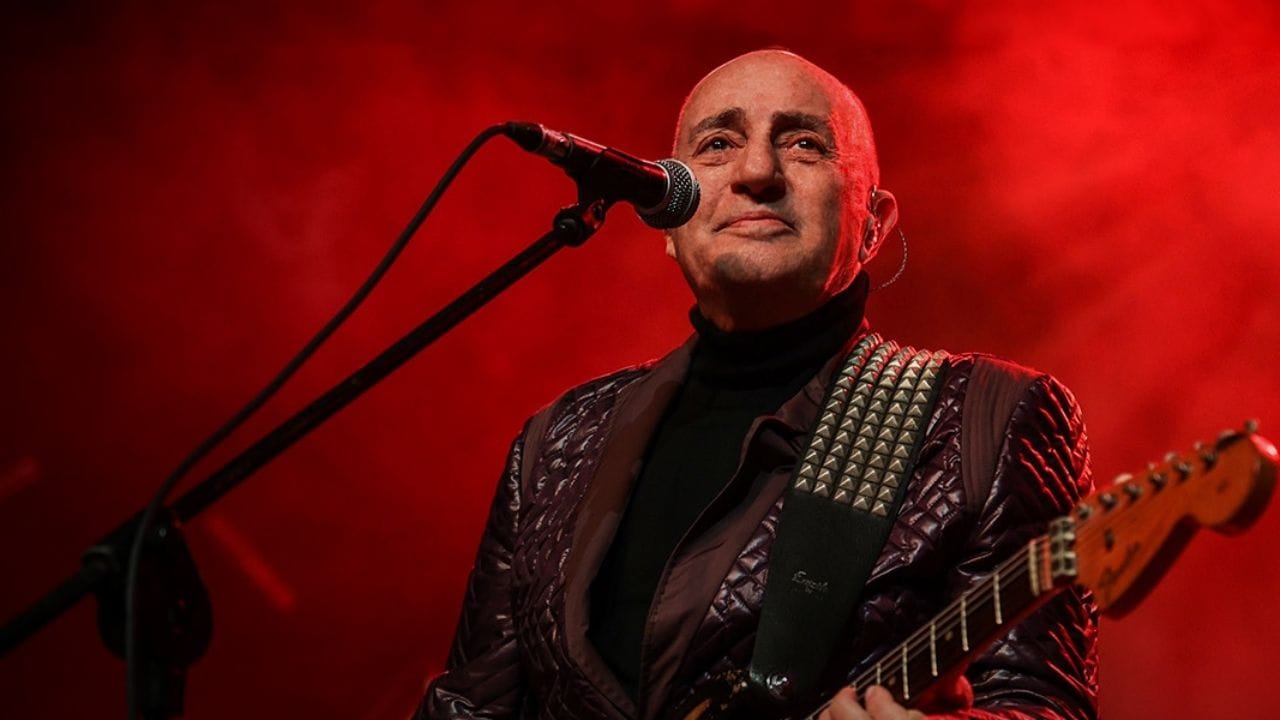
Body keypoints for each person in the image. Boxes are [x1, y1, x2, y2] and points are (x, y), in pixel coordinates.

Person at [416, 50, 1097, 720]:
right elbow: (469, 705)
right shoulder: (558, 440)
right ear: (666, 220)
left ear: (873, 224)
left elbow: (1041, 700)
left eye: (803, 144)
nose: (757, 173)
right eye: (718, 144)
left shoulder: (987, 418)